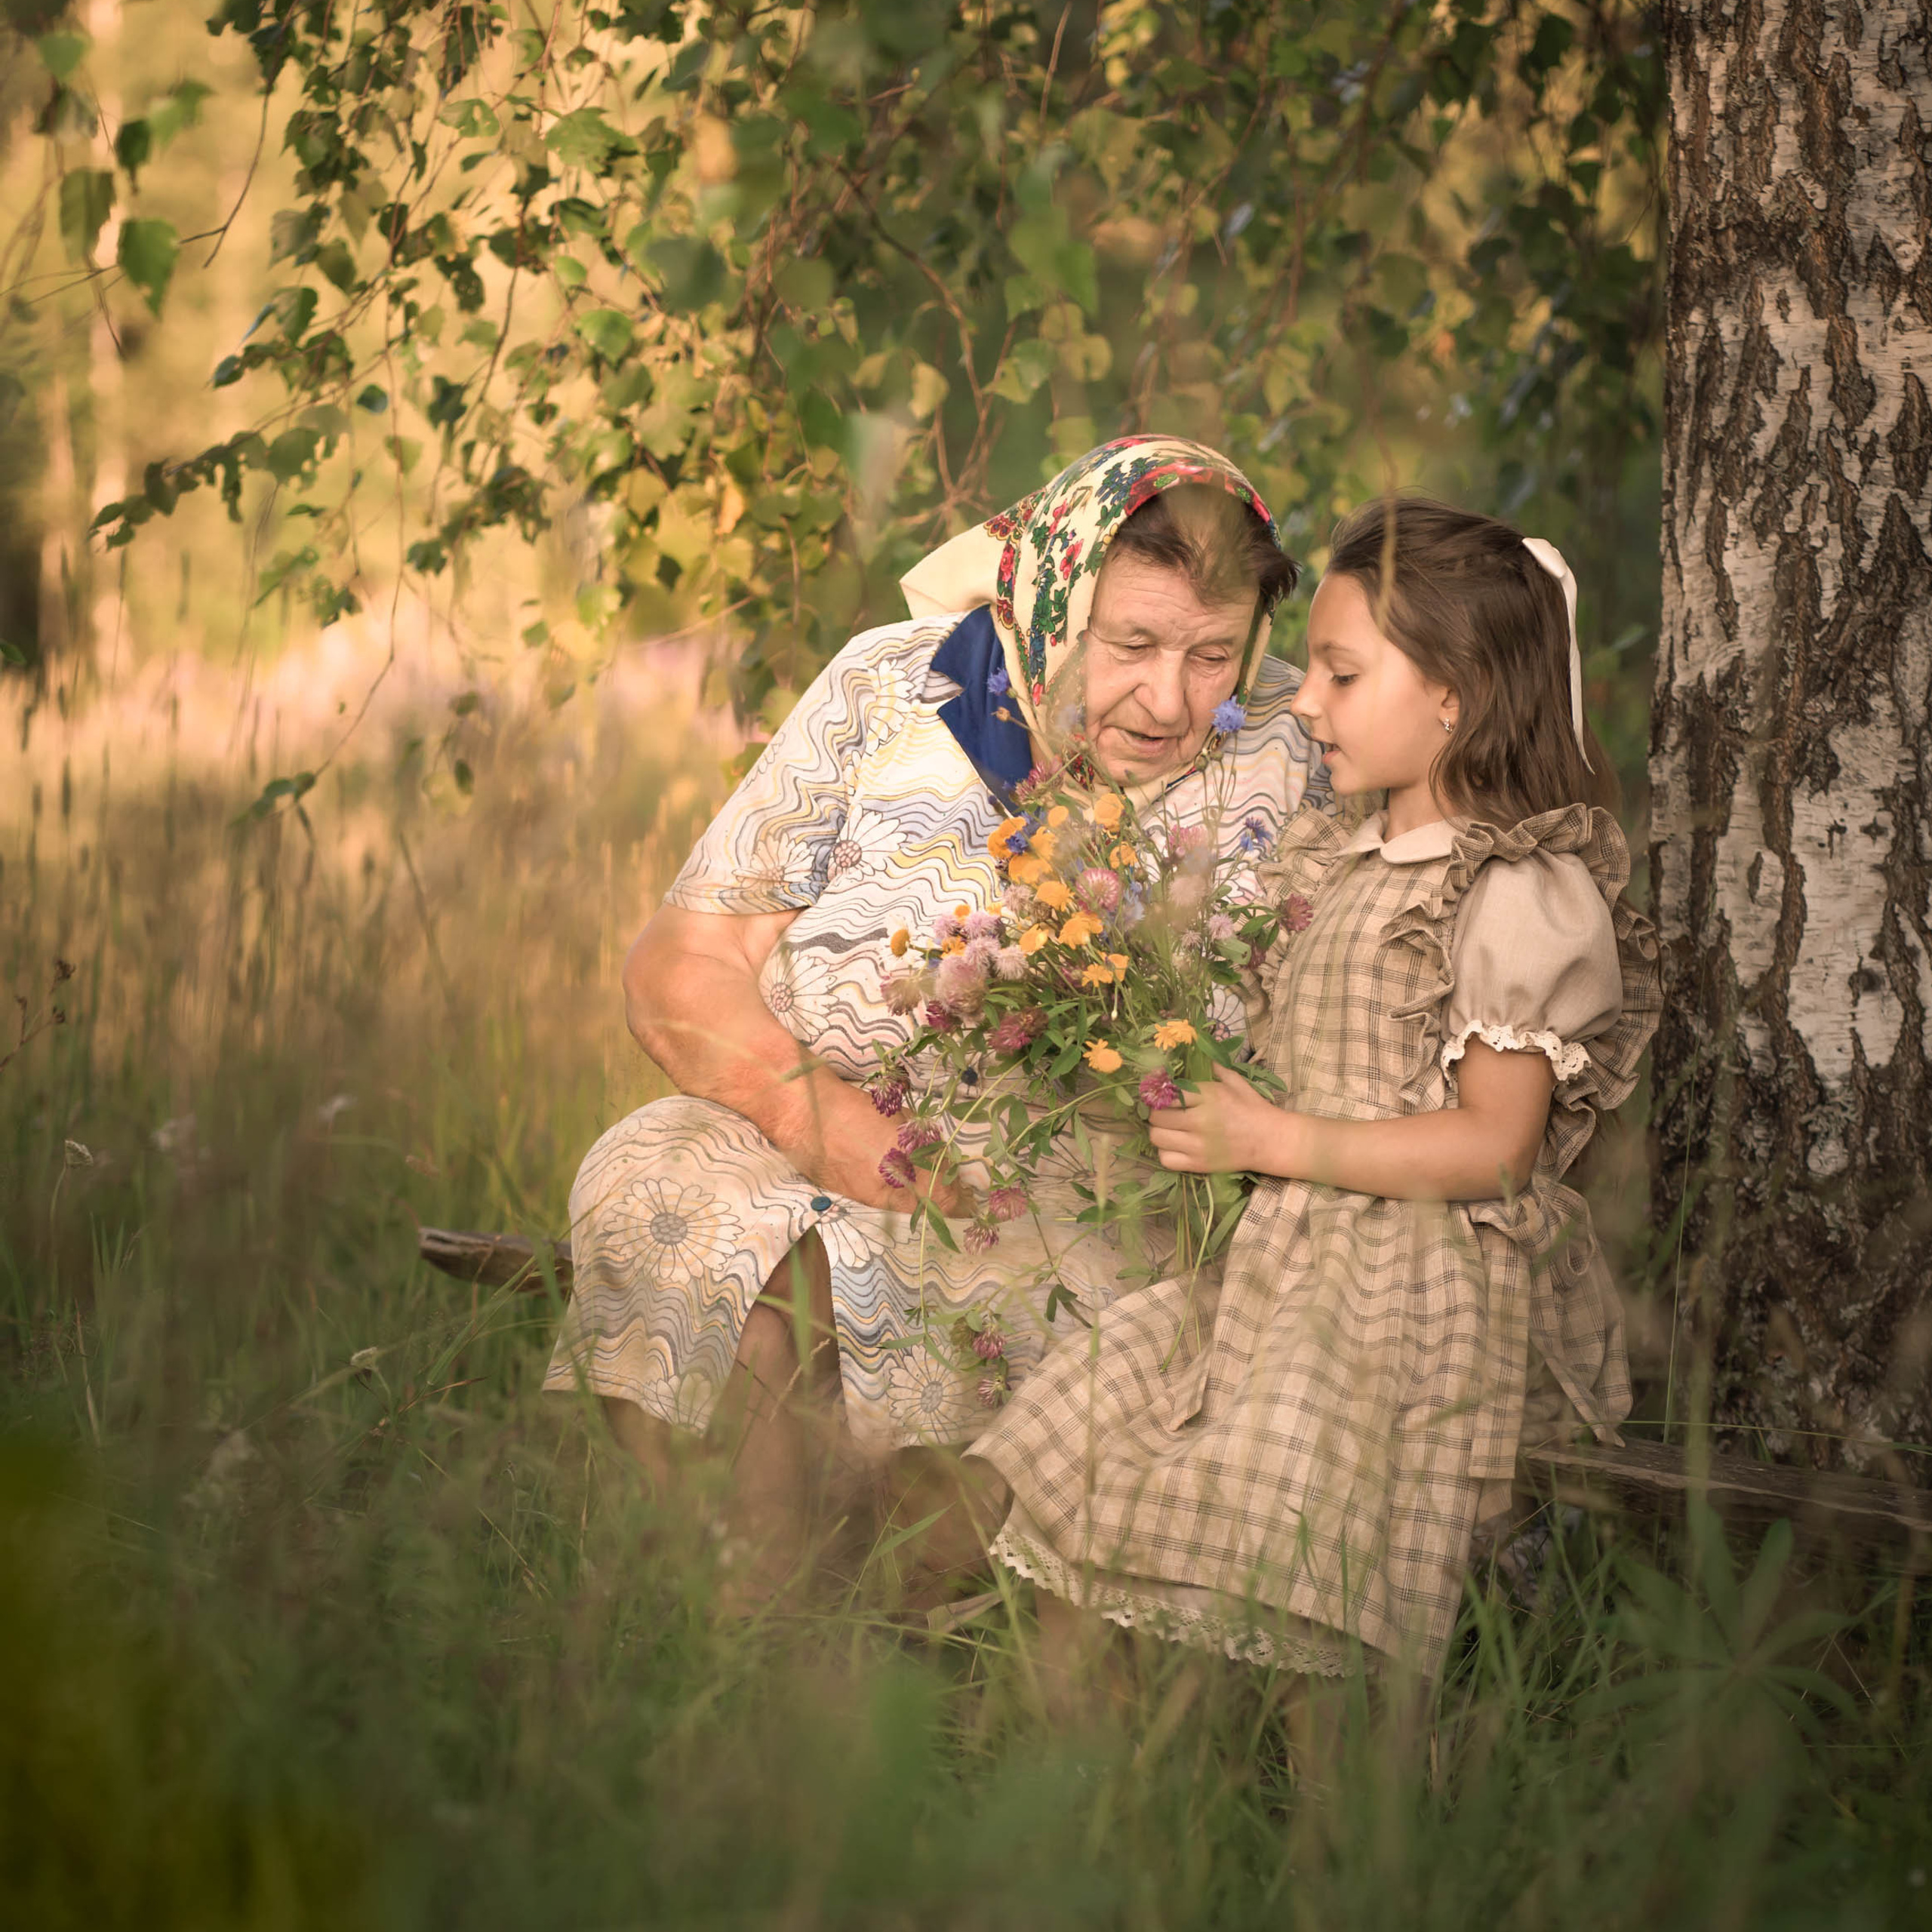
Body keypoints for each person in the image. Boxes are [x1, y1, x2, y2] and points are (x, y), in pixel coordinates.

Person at [544, 436, 1326, 1602]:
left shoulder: (1291, 748)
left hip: (1081, 1189)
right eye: (1132, 646)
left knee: (869, 1294)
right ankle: (749, 1638)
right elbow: (684, 962)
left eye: (1215, 653)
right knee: (665, 1196)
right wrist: (813, 1116)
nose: (1171, 700)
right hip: (795, 1122)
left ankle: (866, 1649)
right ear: (1057, 605)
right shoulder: (897, 682)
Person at [970, 496, 1663, 1681]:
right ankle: (1091, 1784)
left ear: (1457, 695)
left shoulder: (1514, 889)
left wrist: (1270, 1134)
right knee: (1082, 1427)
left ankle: (1346, 1804)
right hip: (1291, 1251)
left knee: (1284, 1488)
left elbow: (1497, 1147)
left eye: (1342, 676)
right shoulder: (1339, 855)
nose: (1303, 700)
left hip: (1423, 1276)